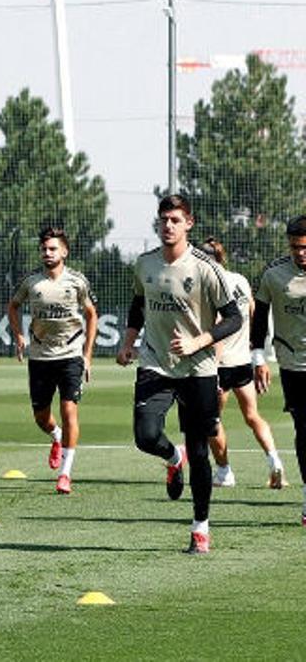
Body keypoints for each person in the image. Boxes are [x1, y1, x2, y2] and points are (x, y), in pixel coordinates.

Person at [116, 195, 242, 554]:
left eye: (174, 220)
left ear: (189, 223)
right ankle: (173, 458)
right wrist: (128, 343)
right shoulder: (145, 264)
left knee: (200, 450)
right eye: (163, 220)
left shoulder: (205, 267)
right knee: (145, 435)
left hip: (198, 368)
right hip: (155, 361)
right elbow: (138, 305)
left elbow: (234, 317)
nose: (167, 226)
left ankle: (200, 527)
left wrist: (199, 341)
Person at [7, 227, 98, 494]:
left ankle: (65, 473)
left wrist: (87, 355)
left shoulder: (77, 282)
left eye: (53, 248)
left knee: (69, 410)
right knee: (41, 417)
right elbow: (13, 306)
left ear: (64, 252)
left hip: (70, 356)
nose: (47, 253)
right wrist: (19, 336)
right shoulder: (31, 282)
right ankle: (56, 436)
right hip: (39, 357)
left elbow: (92, 314)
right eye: (44, 249)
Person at [197, 238, 284, 489]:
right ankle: (274, 461)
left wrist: (211, 369)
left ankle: (224, 472)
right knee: (253, 415)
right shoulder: (241, 280)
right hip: (243, 361)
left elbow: (217, 328)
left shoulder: (208, 286)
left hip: (219, 364)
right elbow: (255, 313)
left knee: (212, 421)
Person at [251, 214, 306, 525]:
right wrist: (259, 358)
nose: (300, 253)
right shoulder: (274, 274)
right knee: (303, 430)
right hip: (292, 364)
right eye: (295, 247)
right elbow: (259, 319)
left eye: (305, 247)